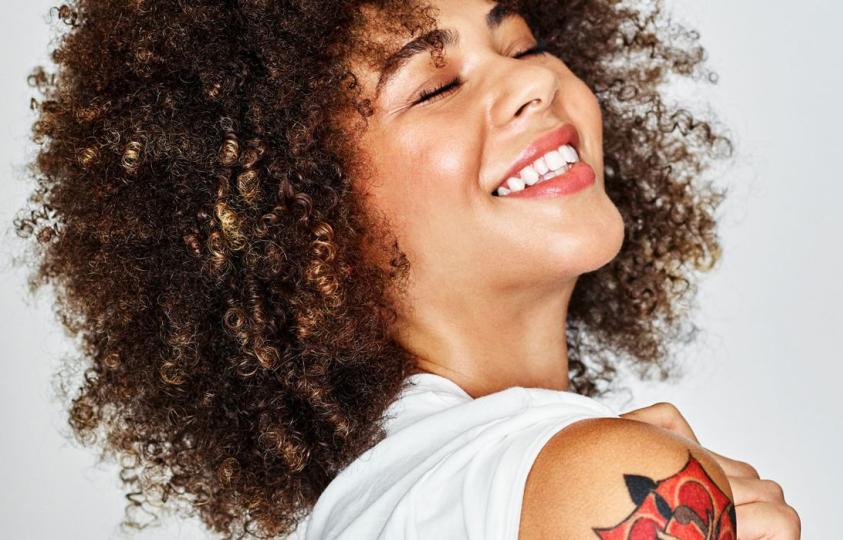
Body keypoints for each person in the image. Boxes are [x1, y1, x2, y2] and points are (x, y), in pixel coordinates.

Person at [15, 0, 799, 538]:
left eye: (521, 43)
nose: (532, 81)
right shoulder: (604, 483)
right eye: (436, 87)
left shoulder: (385, 500)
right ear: (308, 233)